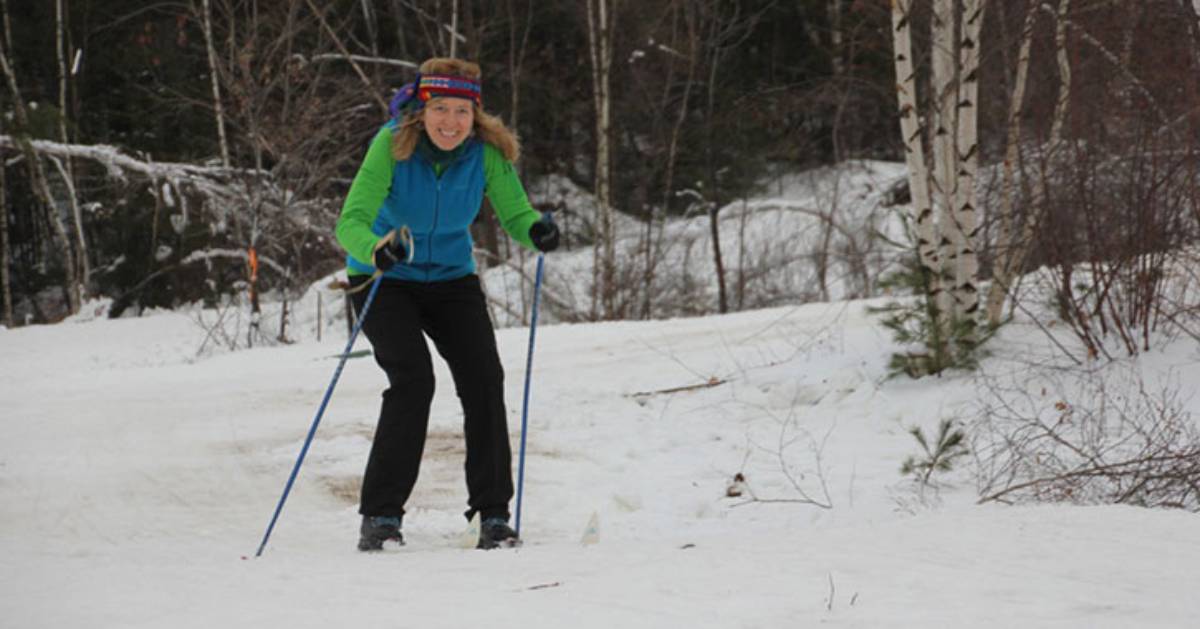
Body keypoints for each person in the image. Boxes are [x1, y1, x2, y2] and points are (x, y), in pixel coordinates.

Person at [334, 57, 560, 551]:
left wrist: (536, 229)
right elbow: (349, 221)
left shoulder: (485, 153)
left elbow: (516, 213)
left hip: (452, 279)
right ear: (422, 108)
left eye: (462, 111)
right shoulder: (391, 146)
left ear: (475, 115)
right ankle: (381, 516)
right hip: (384, 276)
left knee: (483, 378)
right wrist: (376, 247)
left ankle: (493, 515)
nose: (451, 123)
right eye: (442, 109)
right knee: (414, 379)